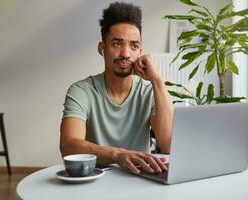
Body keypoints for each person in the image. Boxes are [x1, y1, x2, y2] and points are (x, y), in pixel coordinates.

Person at [60, 2, 173, 174]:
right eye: (117, 44)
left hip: (141, 178)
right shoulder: (81, 91)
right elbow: (68, 145)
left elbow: (168, 144)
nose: (126, 54)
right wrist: (117, 155)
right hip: (96, 181)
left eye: (134, 46)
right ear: (102, 48)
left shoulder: (148, 91)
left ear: (140, 51)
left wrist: (156, 80)